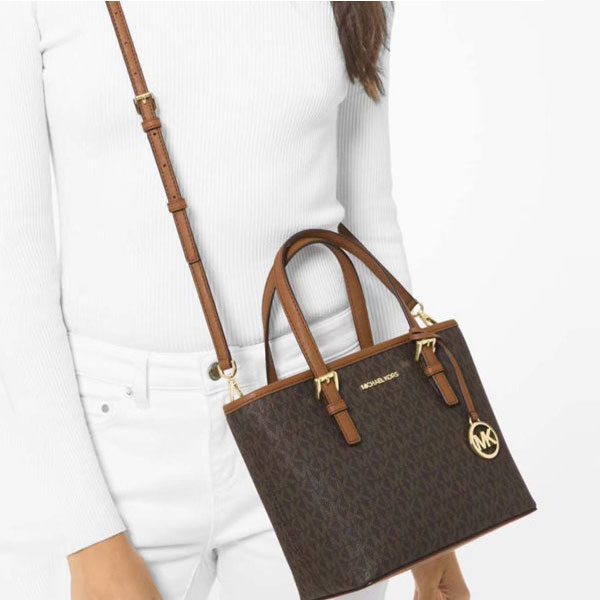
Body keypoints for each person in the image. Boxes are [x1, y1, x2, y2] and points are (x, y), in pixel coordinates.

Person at [0, 3, 470, 600]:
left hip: (329, 418)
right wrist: (88, 533)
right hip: (111, 447)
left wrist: (418, 487)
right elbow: (13, 264)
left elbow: (369, 225)